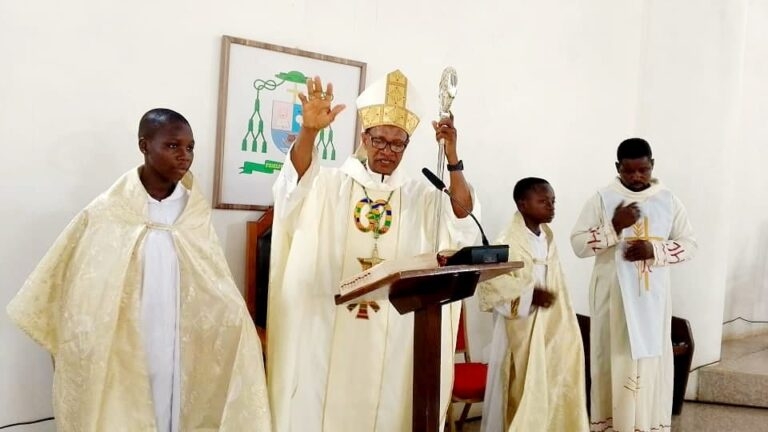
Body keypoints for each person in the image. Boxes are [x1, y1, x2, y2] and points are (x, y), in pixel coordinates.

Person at [7, 109, 271, 432]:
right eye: (172, 146)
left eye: (190, 147)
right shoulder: (109, 210)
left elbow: (211, 277)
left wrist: (236, 319)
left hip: (179, 332)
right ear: (144, 146)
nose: (185, 156)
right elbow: (78, 276)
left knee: (173, 403)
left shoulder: (193, 211)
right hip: (127, 333)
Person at [268, 70, 481, 431]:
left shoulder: (420, 196)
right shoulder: (330, 185)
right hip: (329, 321)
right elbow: (293, 187)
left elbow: (461, 217)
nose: (387, 151)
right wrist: (309, 132)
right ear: (364, 138)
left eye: (397, 144)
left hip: (397, 329)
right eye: (379, 140)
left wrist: (453, 158)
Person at [570, 138, 697, 432]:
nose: (637, 176)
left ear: (652, 165)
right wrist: (614, 226)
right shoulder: (602, 199)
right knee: (614, 359)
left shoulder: (668, 200)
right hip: (613, 300)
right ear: (618, 167)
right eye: (629, 171)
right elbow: (578, 244)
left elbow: (690, 244)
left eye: (643, 170)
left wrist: (655, 250)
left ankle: (647, 425)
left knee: (651, 363)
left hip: (653, 302)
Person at [477, 177, 589, 432]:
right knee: (523, 386)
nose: (551, 206)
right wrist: (528, 296)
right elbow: (492, 285)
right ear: (522, 204)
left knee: (553, 379)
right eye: (543, 201)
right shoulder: (507, 240)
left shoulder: (547, 237)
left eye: (553, 201)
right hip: (520, 327)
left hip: (551, 325)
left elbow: (556, 280)